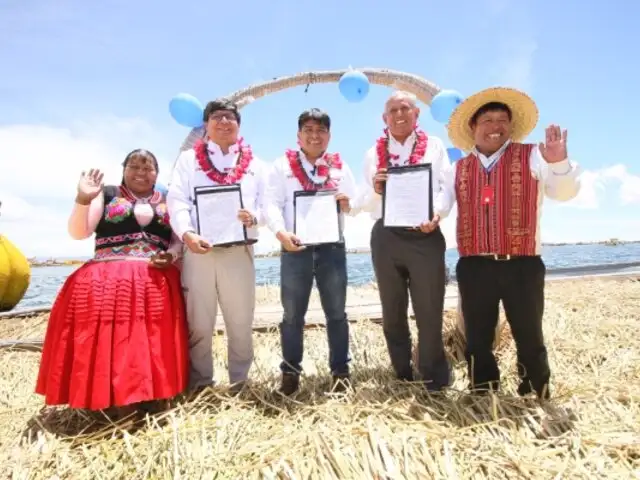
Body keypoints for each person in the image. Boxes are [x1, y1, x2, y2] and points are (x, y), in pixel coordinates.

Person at [441, 86, 581, 400]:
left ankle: (535, 389)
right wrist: (427, 214)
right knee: (477, 336)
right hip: (474, 265)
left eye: (502, 119)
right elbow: (441, 202)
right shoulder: (458, 169)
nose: (495, 126)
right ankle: (483, 391)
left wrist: (559, 164)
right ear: (473, 128)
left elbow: (564, 193)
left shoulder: (533, 155)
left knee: (529, 333)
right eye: (487, 120)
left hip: (523, 264)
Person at [35, 150, 189, 414]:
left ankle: (153, 394)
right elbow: (78, 232)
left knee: (151, 341)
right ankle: (114, 400)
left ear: (157, 173)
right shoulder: (105, 194)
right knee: (114, 339)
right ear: (124, 169)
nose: (141, 172)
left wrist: (172, 254)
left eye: (148, 167)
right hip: (108, 282)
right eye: (134, 166)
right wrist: (83, 198)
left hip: (155, 282)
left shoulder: (167, 199)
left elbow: (177, 238)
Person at [167, 99, 268, 393]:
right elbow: (177, 200)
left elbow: (267, 204)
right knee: (199, 323)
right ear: (207, 125)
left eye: (229, 117)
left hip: (239, 250)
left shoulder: (256, 164)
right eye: (217, 118)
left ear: (238, 124)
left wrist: (256, 217)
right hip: (200, 251)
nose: (224, 122)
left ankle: (240, 382)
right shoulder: (189, 160)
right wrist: (186, 234)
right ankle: (200, 385)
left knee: (240, 321)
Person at [360, 91, 452, 391]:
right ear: (384, 118)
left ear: (416, 114)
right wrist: (375, 188)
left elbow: (446, 188)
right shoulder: (372, 154)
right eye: (392, 110)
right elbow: (365, 201)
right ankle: (401, 373)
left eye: (405, 108)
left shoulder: (434, 146)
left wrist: (437, 215)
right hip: (385, 236)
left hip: (424, 235)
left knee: (429, 310)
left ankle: (433, 378)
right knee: (392, 311)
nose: (399, 114)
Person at [265, 108, 359, 395]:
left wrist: (347, 203)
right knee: (292, 315)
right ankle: (290, 376)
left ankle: (341, 374)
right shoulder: (281, 166)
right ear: (298, 135)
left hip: (332, 248)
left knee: (337, 314)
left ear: (329, 136)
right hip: (296, 248)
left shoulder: (341, 167)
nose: (314, 135)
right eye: (308, 130)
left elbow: (353, 202)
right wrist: (281, 233)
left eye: (320, 130)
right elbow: (271, 204)